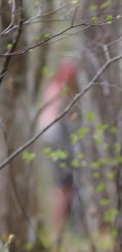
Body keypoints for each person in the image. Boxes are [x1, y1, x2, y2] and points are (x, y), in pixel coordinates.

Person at [36, 60, 81, 237]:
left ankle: (62, 228)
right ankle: (58, 228)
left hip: (57, 140)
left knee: (64, 185)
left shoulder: (56, 88)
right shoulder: (59, 89)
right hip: (57, 140)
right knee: (62, 185)